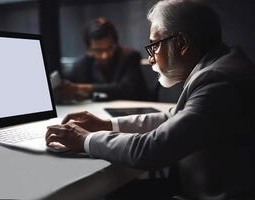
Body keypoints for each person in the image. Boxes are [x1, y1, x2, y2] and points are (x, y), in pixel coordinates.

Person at [46, 0, 255, 199]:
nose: (152, 57)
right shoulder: (221, 67)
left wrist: (84, 139)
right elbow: (172, 119)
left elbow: (151, 149)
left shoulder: (218, 81)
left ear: (182, 42)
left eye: (155, 45)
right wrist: (107, 124)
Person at [57, 17, 146, 102]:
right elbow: (70, 86)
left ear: (116, 43)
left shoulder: (131, 56)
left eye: (109, 48)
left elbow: (127, 89)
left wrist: (81, 88)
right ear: (89, 49)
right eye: (98, 50)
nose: (105, 55)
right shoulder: (82, 64)